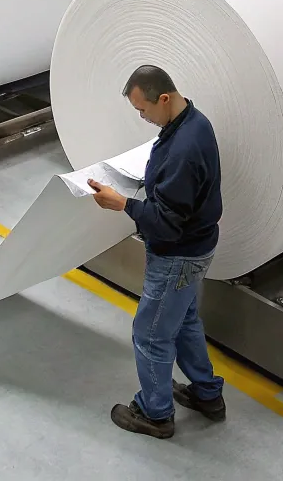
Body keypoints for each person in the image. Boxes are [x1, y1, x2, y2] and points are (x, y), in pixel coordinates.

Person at [88, 64, 225, 440]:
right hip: (198, 248)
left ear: (164, 98)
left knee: (150, 335)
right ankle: (207, 394)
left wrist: (123, 204)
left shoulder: (183, 149)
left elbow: (167, 224)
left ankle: (156, 414)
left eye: (143, 109)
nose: (142, 117)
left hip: (177, 256)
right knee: (184, 321)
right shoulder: (193, 121)